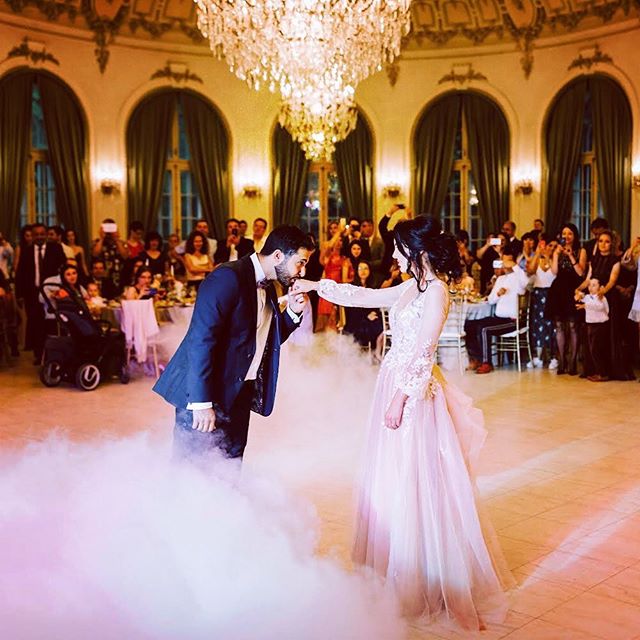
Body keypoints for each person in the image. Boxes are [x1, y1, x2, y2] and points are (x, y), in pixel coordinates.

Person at [292, 216, 510, 629]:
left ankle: (427, 574)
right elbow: (363, 295)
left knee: (418, 475)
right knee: (393, 473)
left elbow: (424, 352)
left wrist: (399, 398)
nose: (392, 253)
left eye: (397, 247)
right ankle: (398, 565)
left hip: (413, 392)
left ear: (416, 249)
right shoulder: (412, 286)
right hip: (394, 379)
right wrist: (316, 285)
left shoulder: (438, 291)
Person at [153, 225, 314, 462]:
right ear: (278, 255)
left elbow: (263, 338)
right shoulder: (227, 277)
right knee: (192, 469)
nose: (302, 271)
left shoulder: (268, 285)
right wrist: (200, 402)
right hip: (206, 391)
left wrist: (292, 313)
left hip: (240, 391)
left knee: (231, 462)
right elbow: (201, 340)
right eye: (300, 262)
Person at [465, 254, 530, 374]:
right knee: (469, 324)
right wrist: (498, 294)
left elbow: (526, 283)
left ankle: (487, 363)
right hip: (498, 318)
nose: (504, 264)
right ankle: (476, 358)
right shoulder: (500, 279)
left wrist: (515, 266)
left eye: (506, 261)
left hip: (511, 320)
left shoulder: (518, 277)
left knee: (483, 329)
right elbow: (490, 300)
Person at [14, 223, 66, 363]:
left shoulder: (56, 248)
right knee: (36, 324)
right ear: (33, 235)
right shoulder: (26, 251)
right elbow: (20, 274)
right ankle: (39, 354)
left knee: (50, 324)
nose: (39, 237)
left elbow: (64, 269)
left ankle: (52, 355)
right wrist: (19, 294)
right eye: (36, 234)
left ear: (46, 234)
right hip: (32, 294)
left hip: (51, 294)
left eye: (42, 234)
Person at [545, 223, 587, 375]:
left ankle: (573, 361)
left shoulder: (581, 251)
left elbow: (581, 273)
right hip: (558, 290)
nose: (566, 236)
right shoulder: (558, 250)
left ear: (574, 235)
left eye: (570, 233)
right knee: (559, 326)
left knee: (573, 326)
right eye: (564, 233)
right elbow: (555, 272)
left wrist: (570, 255)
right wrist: (556, 255)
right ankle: (562, 360)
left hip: (574, 288)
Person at [526, 234, 557, 369]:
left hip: (552, 294)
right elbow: (530, 270)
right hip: (539, 294)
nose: (552, 248)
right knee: (537, 324)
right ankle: (537, 356)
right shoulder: (538, 258)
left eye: (555, 246)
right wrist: (538, 253)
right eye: (550, 246)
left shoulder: (557, 260)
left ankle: (553, 356)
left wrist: (553, 256)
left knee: (552, 326)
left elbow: (556, 272)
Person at [575, 278, 610, 382]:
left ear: (600, 286)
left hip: (599, 326)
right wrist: (578, 295)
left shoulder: (601, 297)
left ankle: (603, 373)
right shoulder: (587, 297)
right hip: (590, 325)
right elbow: (579, 298)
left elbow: (599, 307)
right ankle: (598, 372)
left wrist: (585, 305)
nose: (591, 287)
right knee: (592, 350)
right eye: (589, 285)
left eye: (594, 285)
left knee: (596, 350)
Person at [91, 218, 128, 294]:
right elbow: (95, 254)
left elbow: (125, 256)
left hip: (118, 277)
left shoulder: (121, 243)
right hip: (102, 278)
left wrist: (116, 238)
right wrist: (101, 238)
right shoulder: (97, 242)